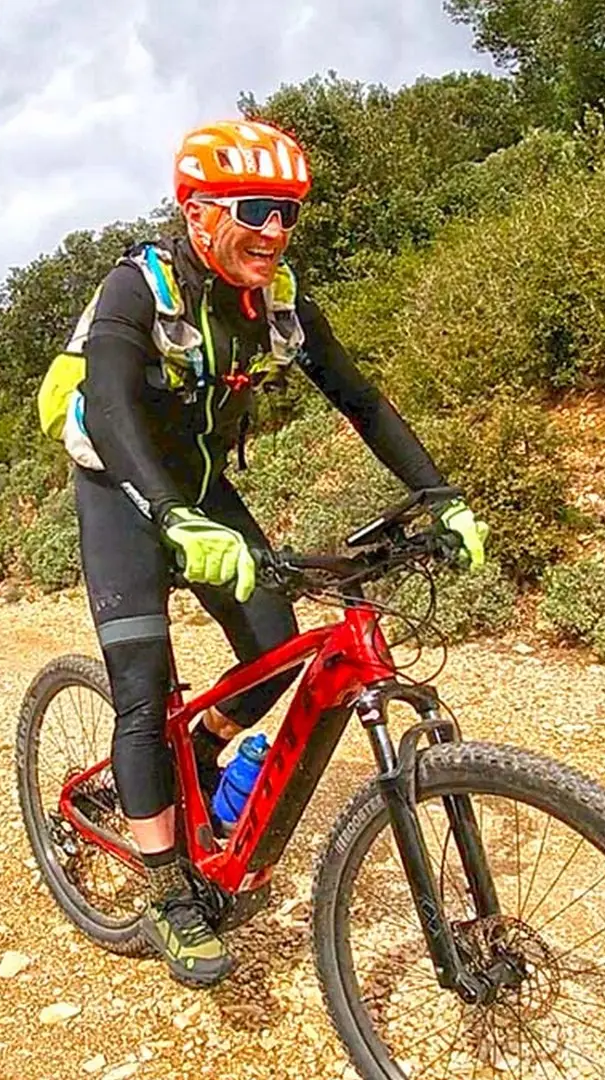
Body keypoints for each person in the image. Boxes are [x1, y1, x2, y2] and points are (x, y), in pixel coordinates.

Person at [34, 119, 487, 987]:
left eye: (287, 212)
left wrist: (441, 495)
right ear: (199, 213)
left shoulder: (277, 305)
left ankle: (197, 758)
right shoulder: (139, 288)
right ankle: (167, 893)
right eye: (254, 209)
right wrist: (171, 517)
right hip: (120, 489)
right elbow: (116, 408)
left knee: (276, 652)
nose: (274, 231)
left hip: (200, 491)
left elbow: (362, 401)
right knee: (139, 688)